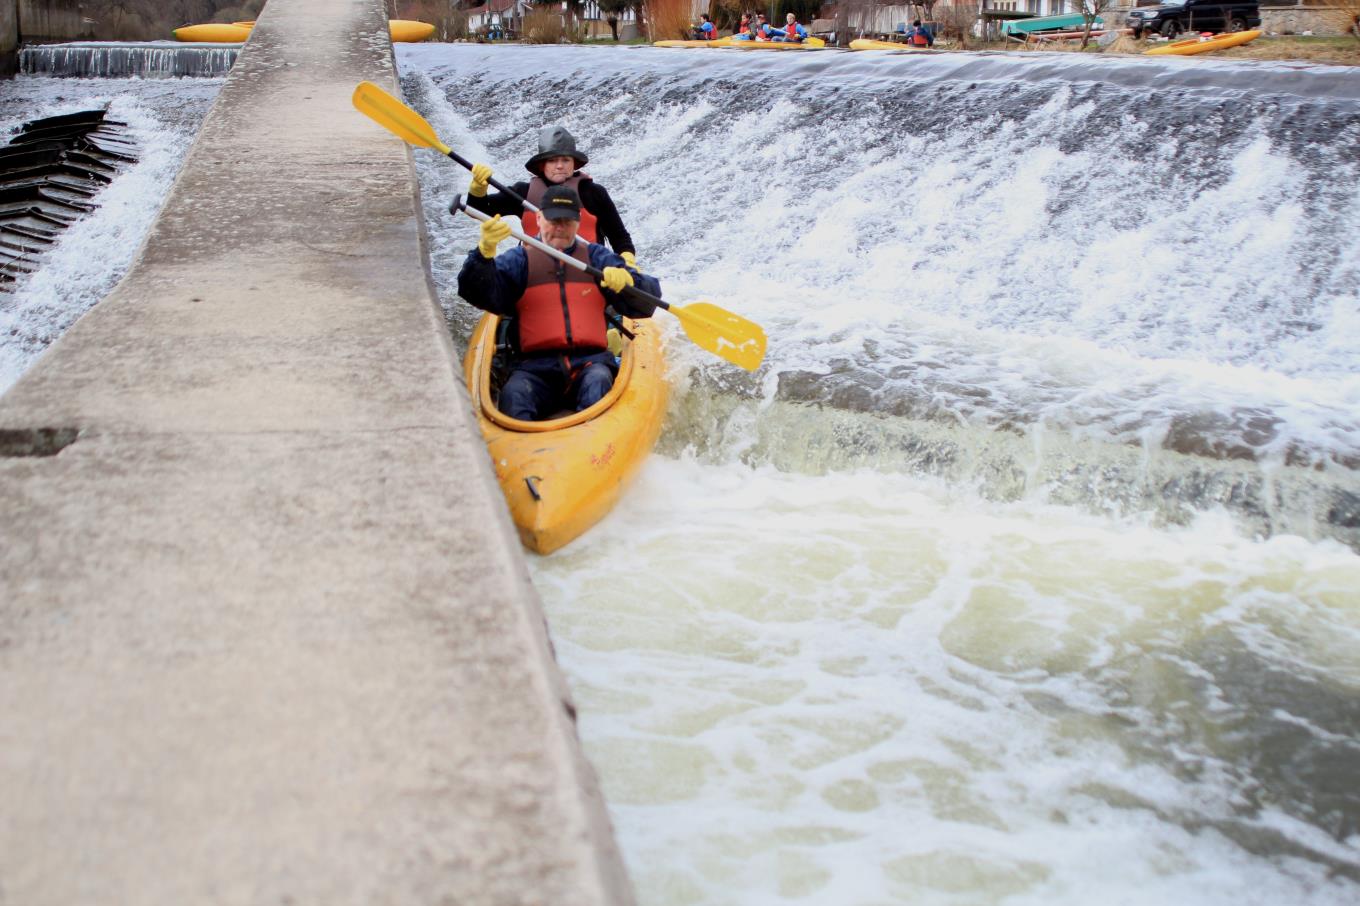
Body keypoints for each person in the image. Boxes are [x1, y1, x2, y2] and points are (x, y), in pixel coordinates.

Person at [457, 186, 661, 421]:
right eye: (553, 220)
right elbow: (475, 293)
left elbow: (647, 303)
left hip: (589, 363)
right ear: (539, 218)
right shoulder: (519, 260)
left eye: (567, 221)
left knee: (598, 382)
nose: (560, 228)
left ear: (578, 222)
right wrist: (483, 255)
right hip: (534, 369)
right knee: (514, 394)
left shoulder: (596, 257)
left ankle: (593, 438)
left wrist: (630, 282)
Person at [465, 126, 638, 268]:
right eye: (552, 160)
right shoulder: (522, 193)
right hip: (534, 275)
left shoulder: (594, 193)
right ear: (542, 165)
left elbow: (620, 238)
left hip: (591, 274)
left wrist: (628, 263)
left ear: (574, 163)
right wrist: (478, 188)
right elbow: (478, 210)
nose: (560, 166)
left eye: (565, 160)